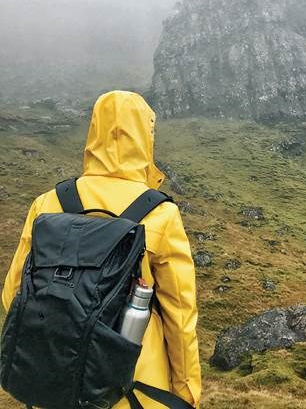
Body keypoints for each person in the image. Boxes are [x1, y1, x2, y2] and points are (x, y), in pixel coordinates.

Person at [2, 90, 201, 408]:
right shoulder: (160, 214)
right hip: (134, 390)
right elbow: (180, 314)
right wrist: (187, 393)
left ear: (94, 130)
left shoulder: (48, 203)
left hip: (56, 387)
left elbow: (14, 293)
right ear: (145, 136)